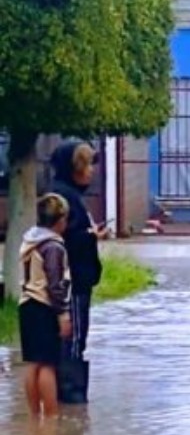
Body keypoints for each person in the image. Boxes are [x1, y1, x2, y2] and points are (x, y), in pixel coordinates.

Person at [50, 141, 104, 403]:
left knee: (74, 339)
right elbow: (60, 240)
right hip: (72, 282)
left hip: (78, 280)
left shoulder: (69, 195)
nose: (91, 171)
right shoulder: (63, 197)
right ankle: (70, 399)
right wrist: (89, 236)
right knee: (72, 340)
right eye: (87, 165)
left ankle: (66, 404)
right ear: (75, 167)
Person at [18, 194, 73, 418]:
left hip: (26, 305)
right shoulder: (53, 247)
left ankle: (33, 418)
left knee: (33, 363)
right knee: (48, 364)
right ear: (60, 220)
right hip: (44, 307)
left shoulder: (29, 241)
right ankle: (51, 419)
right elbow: (55, 284)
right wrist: (63, 314)